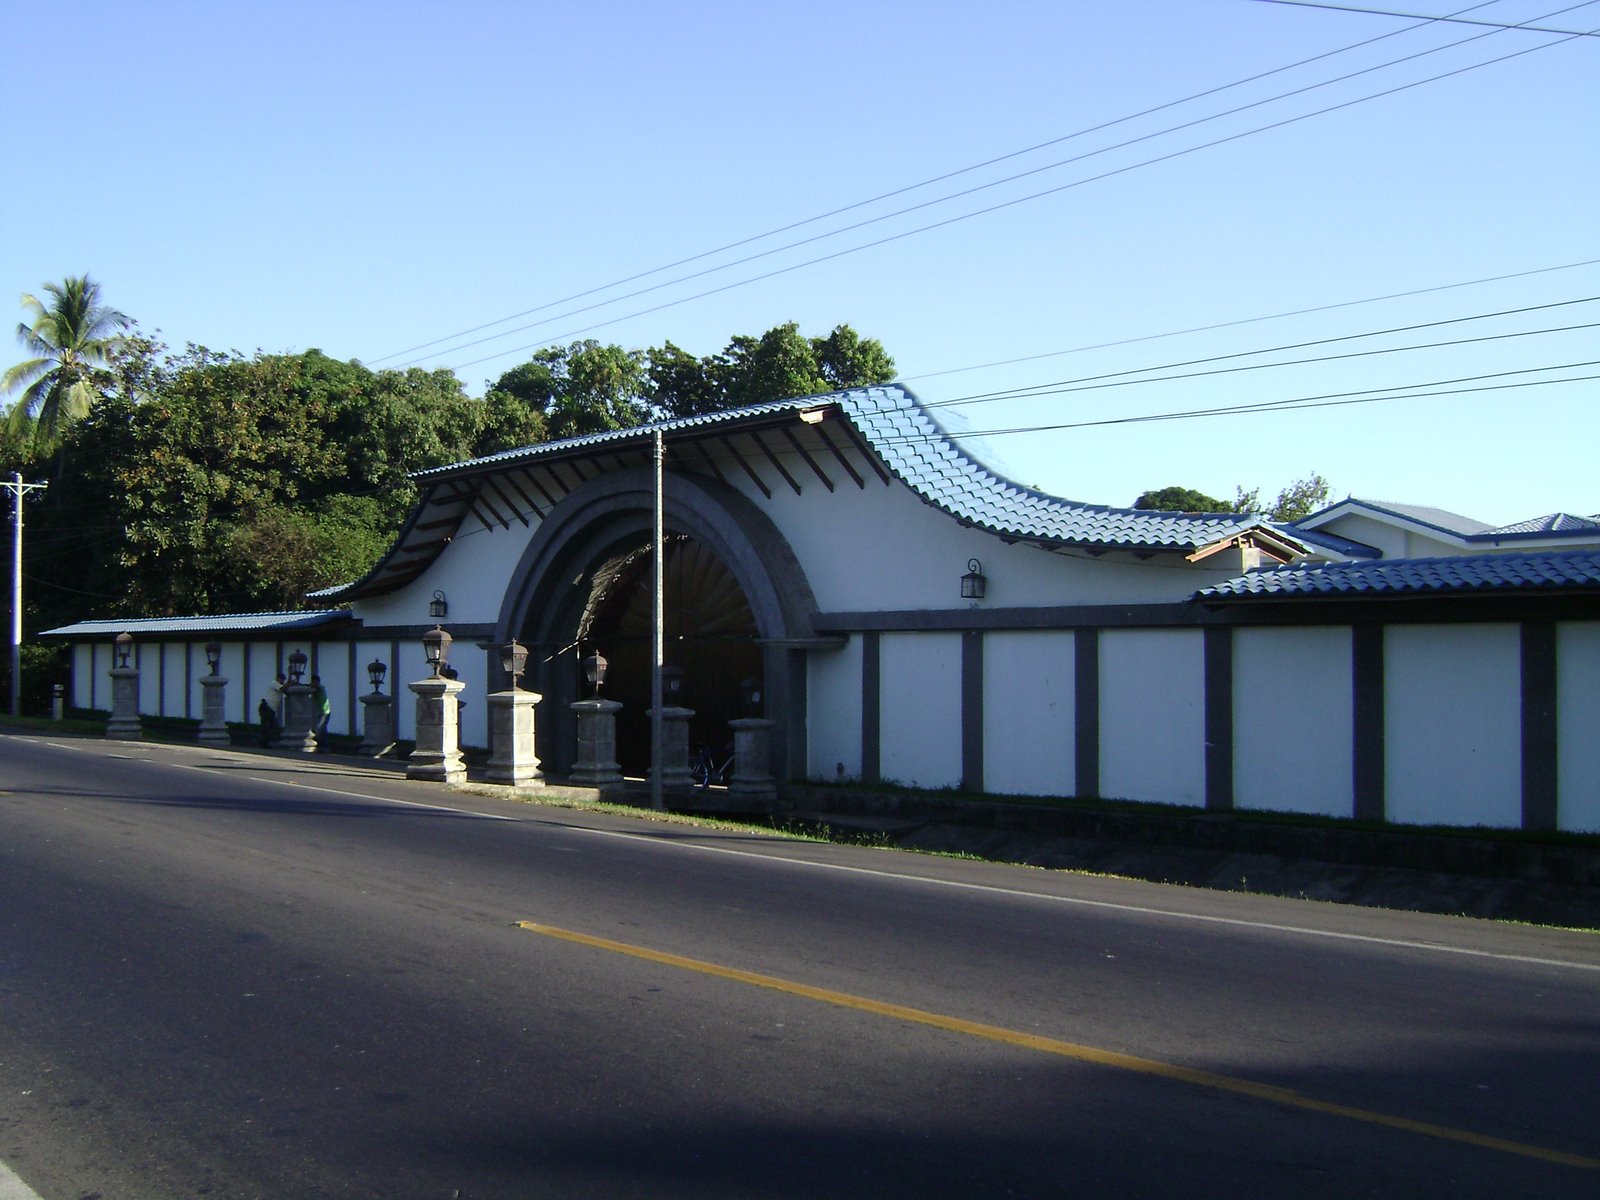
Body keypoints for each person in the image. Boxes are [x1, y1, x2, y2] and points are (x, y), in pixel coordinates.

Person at [260, 673, 285, 747]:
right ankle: (264, 743)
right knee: (267, 726)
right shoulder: (274, 683)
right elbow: (283, 689)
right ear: (278, 678)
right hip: (267, 707)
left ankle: (266, 742)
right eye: (282, 680)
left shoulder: (278, 685)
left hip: (271, 709)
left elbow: (285, 688)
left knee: (271, 726)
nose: (282, 682)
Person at [311, 674, 331, 748]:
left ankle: (321, 746)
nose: (313, 683)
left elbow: (314, 687)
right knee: (323, 730)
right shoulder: (316, 688)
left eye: (314, 682)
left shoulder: (320, 687)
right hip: (322, 712)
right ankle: (324, 747)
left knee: (318, 729)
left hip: (325, 712)